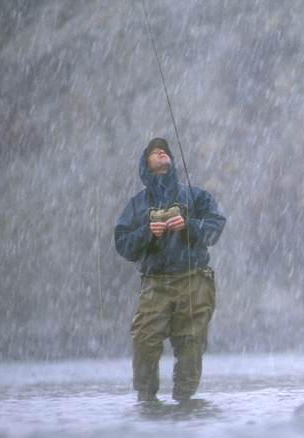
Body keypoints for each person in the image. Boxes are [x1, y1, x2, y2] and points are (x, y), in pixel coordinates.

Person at [115, 137, 226, 403]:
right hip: (155, 283)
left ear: (171, 161)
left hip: (195, 280)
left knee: (191, 344)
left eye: (163, 150)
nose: (160, 151)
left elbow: (215, 227)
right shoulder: (137, 204)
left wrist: (189, 225)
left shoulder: (196, 195)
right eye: (153, 152)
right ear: (147, 167)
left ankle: (185, 404)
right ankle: (147, 400)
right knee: (144, 341)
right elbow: (123, 244)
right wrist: (146, 233)